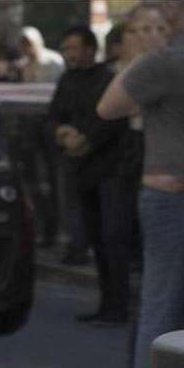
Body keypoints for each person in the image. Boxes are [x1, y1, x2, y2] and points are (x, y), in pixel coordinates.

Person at [97, 3, 184, 368]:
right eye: (140, 30)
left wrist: (138, 59)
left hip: (174, 197)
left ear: (173, 24)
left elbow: (107, 106)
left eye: (155, 28)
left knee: (163, 308)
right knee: (180, 309)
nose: (148, 36)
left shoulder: (163, 62)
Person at [48, 26, 131, 323]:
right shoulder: (67, 79)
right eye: (65, 49)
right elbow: (54, 114)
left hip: (108, 168)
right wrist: (62, 133)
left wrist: (86, 141)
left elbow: (112, 119)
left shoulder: (106, 78)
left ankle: (117, 304)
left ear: (89, 49)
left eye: (73, 48)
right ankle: (106, 303)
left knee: (112, 239)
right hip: (81, 170)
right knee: (96, 238)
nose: (68, 54)